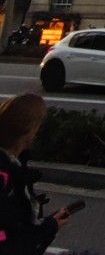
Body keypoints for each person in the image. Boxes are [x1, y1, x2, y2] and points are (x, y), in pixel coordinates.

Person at [0, 93, 74, 255]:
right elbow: (13, 241)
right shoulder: (6, 174)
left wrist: (48, 224)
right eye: (37, 126)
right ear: (26, 130)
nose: (37, 132)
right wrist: (48, 228)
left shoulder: (13, 167)